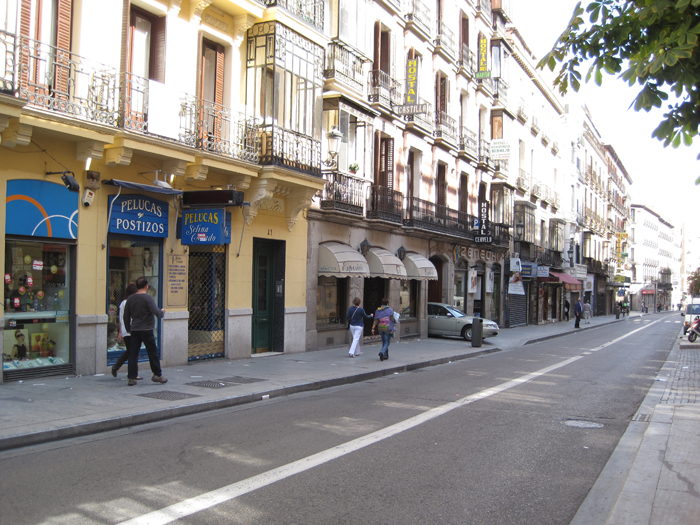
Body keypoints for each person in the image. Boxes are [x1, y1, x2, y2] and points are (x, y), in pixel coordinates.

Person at [123, 277, 167, 386]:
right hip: (147, 329)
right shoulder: (148, 298)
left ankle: (131, 377)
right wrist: (162, 312)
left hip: (135, 329)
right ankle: (157, 374)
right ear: (146, 286)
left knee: (133, 353)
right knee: (152, 353)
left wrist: (129, 329)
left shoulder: (131, 299)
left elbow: (126, 316)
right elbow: (157, 313)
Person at [111, 284, 141, 379]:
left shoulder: (122, 303)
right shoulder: (132, 302)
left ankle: (118, 367)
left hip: (125, 329)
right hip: (132, 329)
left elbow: (120, 319)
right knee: (133, 352)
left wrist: (120, 332)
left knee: (131, 351)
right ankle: (132, 373)